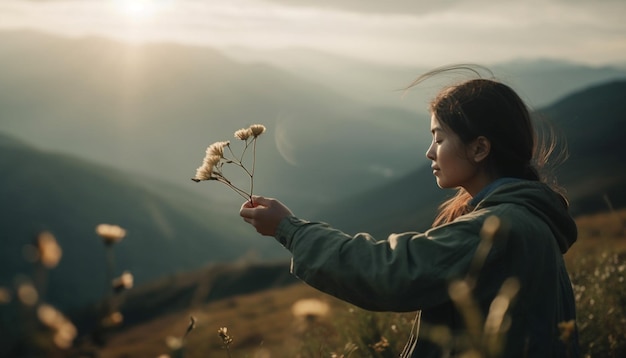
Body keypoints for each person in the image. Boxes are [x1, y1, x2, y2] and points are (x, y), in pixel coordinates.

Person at [239, 66, 579, 357]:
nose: (430, 152)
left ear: (479, 148)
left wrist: (291, 230)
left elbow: (391, 273)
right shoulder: (527, 218)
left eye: (440, 138)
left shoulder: (498, 227)